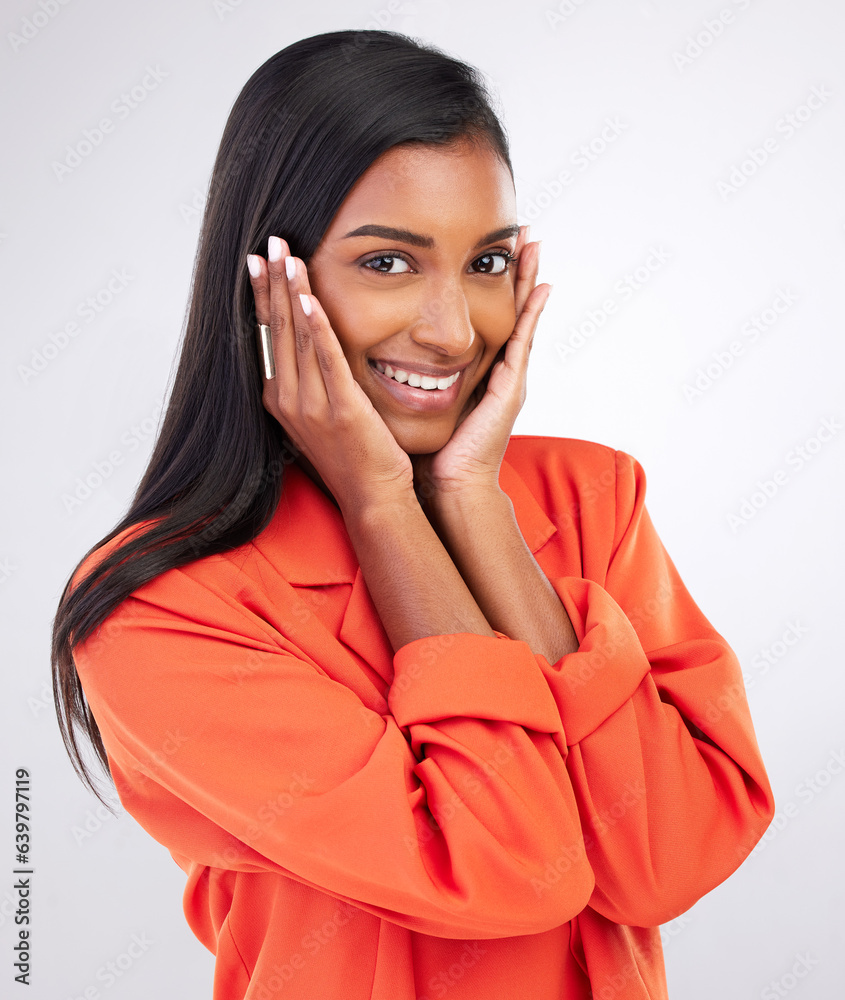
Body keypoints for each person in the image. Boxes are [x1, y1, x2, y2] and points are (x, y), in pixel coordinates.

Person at [52, 28, 775, 1000]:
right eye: (388, 264)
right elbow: (515, 868)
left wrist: (474, 503)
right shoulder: (163, 608)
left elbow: (671, 859)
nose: (451, 330)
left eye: (484, 264)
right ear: (273, 279)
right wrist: (382, 503)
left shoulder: (592, 499)